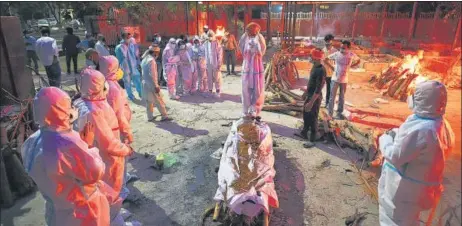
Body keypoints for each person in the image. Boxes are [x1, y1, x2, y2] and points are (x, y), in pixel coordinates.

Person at [21, 87, 110, 226]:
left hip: (55, 210)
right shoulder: (69, 142)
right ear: (60, 110)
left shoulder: (32, 141)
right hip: (81, 212)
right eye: (68, 107)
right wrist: (88, 146)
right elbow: (95, 172)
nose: (72, 110)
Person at [377, 80, 454, 226]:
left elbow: (395, 156)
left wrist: (385, 139)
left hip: (405, 190)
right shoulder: (440, 124)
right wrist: (397, 134)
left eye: (414, 94)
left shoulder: (423, 130)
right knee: (410, 221)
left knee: (394, 220)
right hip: (422, 189)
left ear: (423, 99)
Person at [73, 68, 133, 202]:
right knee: (110, 188)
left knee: (109, 187)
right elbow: (108, 143)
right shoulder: (93, 111)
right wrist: (125, 149)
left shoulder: (89, 102)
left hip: (103, 154)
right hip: (108, 156)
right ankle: (114, 216)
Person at [299, 48, 326, 148]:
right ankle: (304, 132)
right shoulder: (314, 67)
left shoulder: (321, 70)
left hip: (315, 97)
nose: (310, 57)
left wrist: (311, 103)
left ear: (316, 58)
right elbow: (311, 83)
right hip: (310, 95)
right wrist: (305, 93)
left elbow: (318, 89)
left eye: (311, 56)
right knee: (305, 114)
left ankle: (312, 139)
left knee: (313, 117)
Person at [239, 22, 267, 116]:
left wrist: (257, 51)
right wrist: (247, 53)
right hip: (247, 66)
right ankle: (246, 109)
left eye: (253, 33)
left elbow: (263, 50)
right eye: (249, 32)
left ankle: (255, 108)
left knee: (257, 88)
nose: (251, 34)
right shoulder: (244, 37)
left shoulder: (260, 38)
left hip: (256, 66)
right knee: (245, 88)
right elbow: (241, 47)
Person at [327, 40, 360, 119]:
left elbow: (359, 60)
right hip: (335, 79)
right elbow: (325, 59)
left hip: (344, 80)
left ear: (348, 48)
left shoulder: (351, 55)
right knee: (332, 97)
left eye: (344, 48)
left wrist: (352, 66)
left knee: (342, 97)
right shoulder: (336, 54)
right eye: (341, 47)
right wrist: (331, 67)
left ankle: (339, 113)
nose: (342, 49)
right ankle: (330, 114)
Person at [141, 48, 172, 122]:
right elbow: (153, 74)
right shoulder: (151, 61)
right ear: (155, 53)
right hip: (151, 83)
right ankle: (164, 116)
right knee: (158, 100)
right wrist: (156, 86)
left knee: (148, 101)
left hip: (145, 82)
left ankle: (150, 117)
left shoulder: (144, 59)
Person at [115, 32, 142, 101]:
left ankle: (140, 93)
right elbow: (119, 59)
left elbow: (136, 55)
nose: (129, 39)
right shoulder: (119, 47)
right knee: (127, 82)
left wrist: (138, 63)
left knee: (137, 80)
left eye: (129, 37)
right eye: (127, 37)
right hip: (125, 68)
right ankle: (130, 95)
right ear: (123, 38)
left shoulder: (132, 45)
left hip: (133, 66)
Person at [204, 30, 223, 98]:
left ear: (213, 36)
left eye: (211, 36)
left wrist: (219, 63)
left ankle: (218, 91)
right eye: (209, 36)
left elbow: (220, 53)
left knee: (217, 77)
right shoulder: (205, 43)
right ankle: (210, 91)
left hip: (215, 63)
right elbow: (204, 53)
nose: (210, 37)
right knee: (209, 77)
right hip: (208, 63)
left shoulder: (216, 43)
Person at [322, 34, 337, 108]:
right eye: (327, 43)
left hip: (331, 74)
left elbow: (336, 62)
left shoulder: (335, 51)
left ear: (332, 42)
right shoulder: (323, 50)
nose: (328, 45)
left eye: (329, 43)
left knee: (329, 89)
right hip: (323, 72)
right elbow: (322, 61)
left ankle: (327, 103)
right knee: (319, 87)